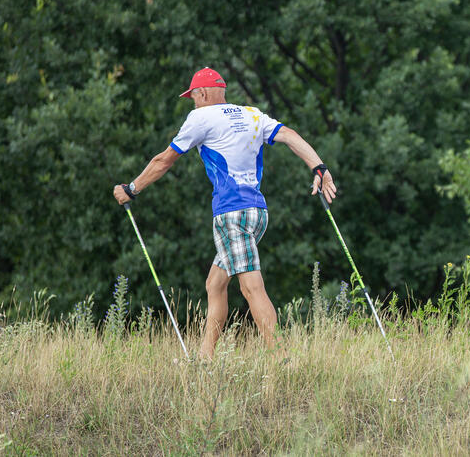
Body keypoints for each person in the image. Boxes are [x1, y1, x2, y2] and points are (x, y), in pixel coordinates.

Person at [113, 67, 336, 359]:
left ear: (202, 93)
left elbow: (164, 160)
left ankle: (284, 361)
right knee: (215, 283)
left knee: (251, 287)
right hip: (257, 214)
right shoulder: (251, 113)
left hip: (232, 214)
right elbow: (290, 136)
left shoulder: (201, 117)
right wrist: (319, 167)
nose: (192, 103)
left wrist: (131, 189)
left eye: (192, 97)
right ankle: (205, 358)